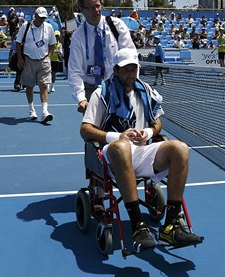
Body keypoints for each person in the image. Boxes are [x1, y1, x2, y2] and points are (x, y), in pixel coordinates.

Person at [80, 48, 204, 251]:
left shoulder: (146, 90)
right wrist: (116, 136)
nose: (130, 73)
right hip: (113, 156)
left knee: (180, 148)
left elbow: (157, 123)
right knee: (121, 147)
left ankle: (171, 227)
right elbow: (85, 130)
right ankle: (138, 226)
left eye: (133, 68)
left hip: (142, 152)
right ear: (116, 70)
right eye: (126, 69)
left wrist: (147, 132)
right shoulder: (101, 93)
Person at [68, 0, 135, 113]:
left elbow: (131, 57)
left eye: (98, 6)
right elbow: (74, 70)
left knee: (120, 128)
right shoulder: (78, 36)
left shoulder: (117, 26)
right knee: (93, 131)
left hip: (116, 86)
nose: (96, 11)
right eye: (90, 7)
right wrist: (81, 98)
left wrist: (130, 87)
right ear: (81, 10)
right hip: (90, 89)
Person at [16, 7, 56, 123]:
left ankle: (45, 112)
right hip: (28, 60)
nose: (42, 20)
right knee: (29, 86)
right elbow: (18, 43)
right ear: (35, 16)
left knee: (44, 85)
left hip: (43, 60)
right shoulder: (26, 26)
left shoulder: (49, 27)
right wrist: (19, 58)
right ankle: (31, 109)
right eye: (40, 17)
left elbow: (52, 44)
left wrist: (48, 57)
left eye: (44, 18)